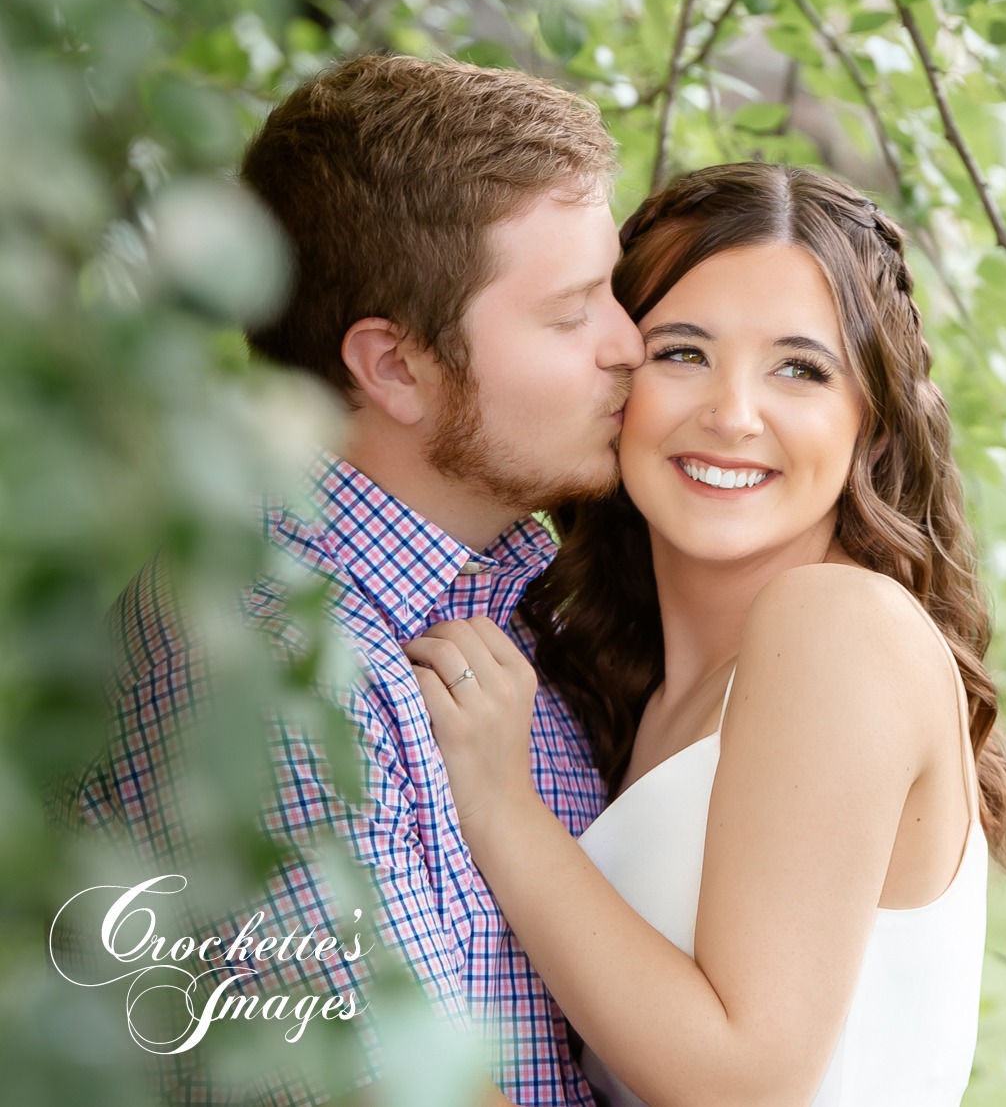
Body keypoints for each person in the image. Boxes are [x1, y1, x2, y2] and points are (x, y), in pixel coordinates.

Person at [65, 53, 643, 1105]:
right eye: (572, 315)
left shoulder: (513, 619)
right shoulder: (261, 665)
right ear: (394, 367)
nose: (631, 345)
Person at [408, 163, 1006, 1106]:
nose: (733, 415)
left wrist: (501, 809)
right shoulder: (638, 688)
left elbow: (745, 1083)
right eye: (683, 352)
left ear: (873, 426)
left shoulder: (837, 626)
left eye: (800, 369)